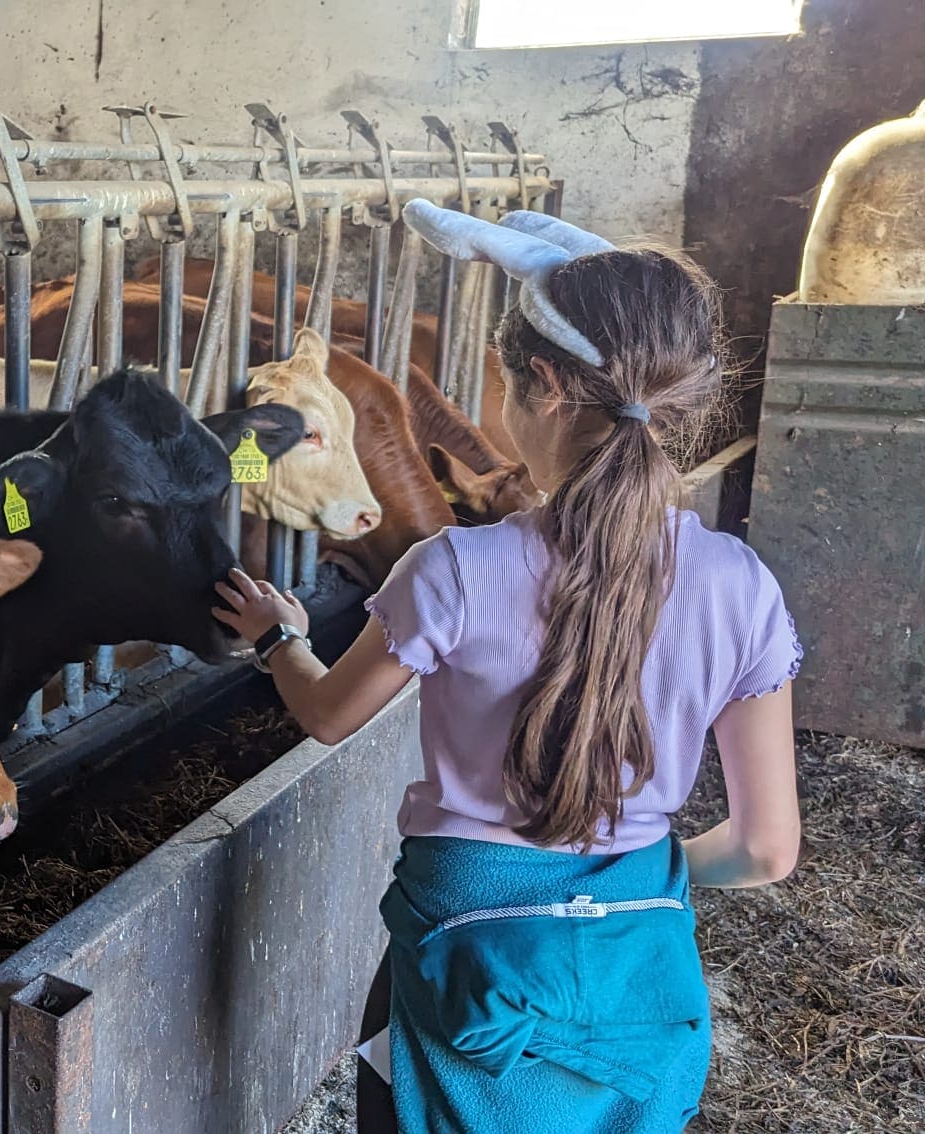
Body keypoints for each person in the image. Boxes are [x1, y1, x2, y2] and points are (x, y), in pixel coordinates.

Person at [213, 201, 802, 1133]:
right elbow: (767, 850)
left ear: (544, 387)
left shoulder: (453, 568)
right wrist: (615, 894)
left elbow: (327, 716)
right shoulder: (742, 586)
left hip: (464, 959)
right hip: (638, 995)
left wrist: (280, 637)